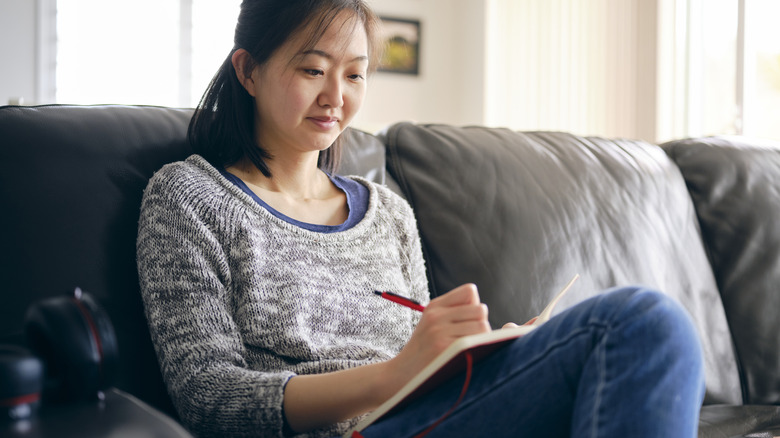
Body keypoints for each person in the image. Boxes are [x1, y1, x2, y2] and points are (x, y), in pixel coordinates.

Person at [136, 0, 706, 437]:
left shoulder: (387, 213)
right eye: (313, 70)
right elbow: (208, 395)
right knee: (639, 323)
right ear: (249, 71)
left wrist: (475, 356)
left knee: (649, 332)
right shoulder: (190, 198)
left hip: (435, 414)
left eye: (355, 75)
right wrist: (394, 373)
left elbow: (424, 368)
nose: (336, 96)